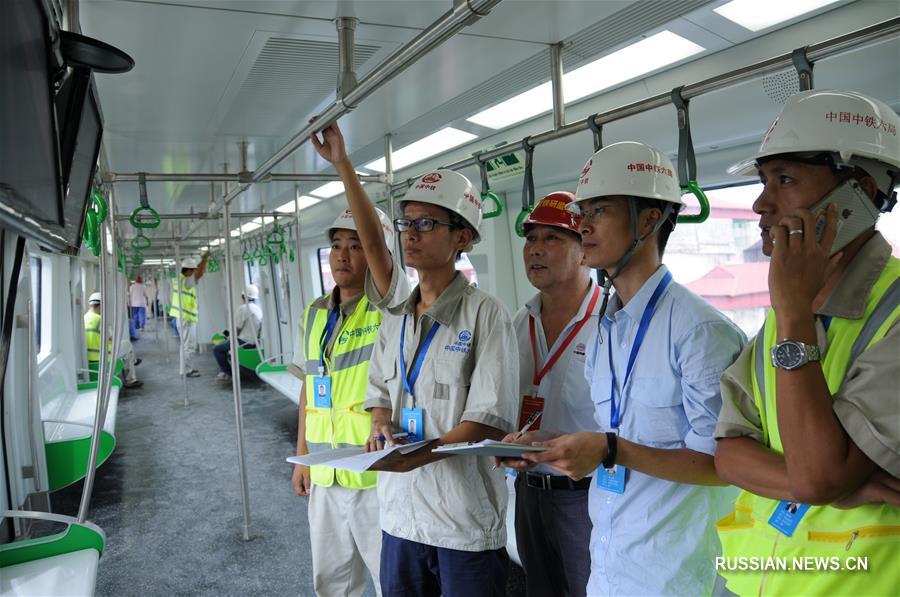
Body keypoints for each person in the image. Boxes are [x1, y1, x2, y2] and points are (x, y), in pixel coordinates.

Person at [518, 142, 746, 596]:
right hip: (609, 558)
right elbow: (615, 431)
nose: (582, 224)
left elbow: (723, 465)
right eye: (583, 212)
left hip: (677, 570)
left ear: (648, 220)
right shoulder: (607, 324)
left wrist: (609, 449)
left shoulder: (700, 331)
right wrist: (554, 445)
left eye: (599, 210)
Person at [311, 121, 519, 597]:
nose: (411, 235)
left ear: (462, 237)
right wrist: (381, 425)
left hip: (461, 521)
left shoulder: (486, 314)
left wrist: (413, 457)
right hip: (399, 516)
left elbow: (487, 421)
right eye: (407, 224)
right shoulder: (396, 316)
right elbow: (380, 392)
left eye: (427, 224)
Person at [713, 89, 900, 596]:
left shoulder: (886, 310)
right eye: (763, 180)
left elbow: (818, 478)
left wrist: (794, 313)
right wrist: (836, 486)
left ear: (860, 193)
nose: (760, 203)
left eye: (786, 179)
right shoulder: (787, 308)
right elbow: (728, 454)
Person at [496, 192, 600, 597]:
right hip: (527, 493)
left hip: (587, 495)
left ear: (584, 252)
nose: (535, 250)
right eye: (531, 239)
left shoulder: (609, 322)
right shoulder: (517, 323)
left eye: (552, 239)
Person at [289, 207, 394, 597]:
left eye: (356, 246)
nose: (342, 256)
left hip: (374, 473)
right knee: (330, 582)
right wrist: (302, 456)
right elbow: (308, 388)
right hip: (324, 472)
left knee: (390, 580)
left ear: (375, 253)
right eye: (335, 246)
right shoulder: (315, 314)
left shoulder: (388, 309)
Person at [84, 292, 142, 389]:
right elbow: (112, 338)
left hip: (88, 357)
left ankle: (132, 361)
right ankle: (131, 379)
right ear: (101, 305)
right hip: (104, 356)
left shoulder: (84, 318)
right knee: (127, 345)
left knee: (127, 351)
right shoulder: (100, 320)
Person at [169, 253, 208, 377]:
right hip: (187, 319)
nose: (194, 272)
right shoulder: (186, 281)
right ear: (189, 270)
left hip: (182, 318)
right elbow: (200, 274)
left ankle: (185, 369)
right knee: (189, 346)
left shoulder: (180, 279)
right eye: (193, 270)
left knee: (185, 345)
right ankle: (186, 371)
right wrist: (204, 259)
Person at [214, 284, 263, 381]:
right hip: (253, 342)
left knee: (217, 349)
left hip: (243, 342)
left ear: (242, 296)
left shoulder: (243, 308)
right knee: (224, 340)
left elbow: (236, 331)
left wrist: (227, 336)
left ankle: (228, 374)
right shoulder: (258, 309)